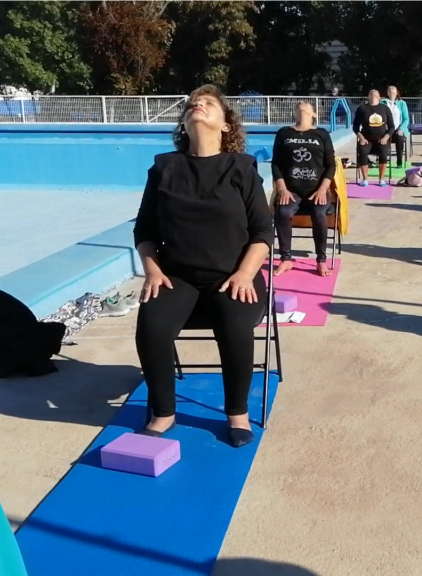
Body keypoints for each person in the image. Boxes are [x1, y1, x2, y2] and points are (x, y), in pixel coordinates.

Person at [132, 84, 274, 447]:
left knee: (235, 323)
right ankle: (163, 412)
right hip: (177, 277)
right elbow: (145, 230)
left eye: (209, 103)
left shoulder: (240, 167)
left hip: (233, 276)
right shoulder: (165, 167)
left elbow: (262, 230)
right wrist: (152, 269)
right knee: (151, 323)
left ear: (226, 125)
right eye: (194, 102)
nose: (198, 105)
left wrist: (245, 272)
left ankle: (237, 412)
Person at [271, 101, 337, 277]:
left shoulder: (321, 134)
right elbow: (276, 164)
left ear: (314, 114)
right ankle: (286, 259)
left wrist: (323, 189)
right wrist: (282, 190)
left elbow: (331, 165)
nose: (303, 103)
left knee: (319, 213)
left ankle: (321, 261)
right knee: (283, 213)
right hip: (291, 190)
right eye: (299, 104)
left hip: (317, 190)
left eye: (307, 104)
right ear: (294, 112)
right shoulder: (284, 133)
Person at [353, 89, 394, 186]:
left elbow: (392, 127)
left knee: (383, 152)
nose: (373, 91)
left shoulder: (385, 109)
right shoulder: (362, 108)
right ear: (368, 96)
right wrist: (361, 138)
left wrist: (385, 138)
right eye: (370, 92)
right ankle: (365, 179)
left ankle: (381, 179)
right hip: (366, 139)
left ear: (380, 97)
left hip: (381, 139)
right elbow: (355, 127)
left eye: (376, 92)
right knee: (362, 151)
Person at [383, 85, 411, 168]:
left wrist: (401, 129)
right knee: (382, 138)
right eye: (389, 90)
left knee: (400, 138)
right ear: (387, 93)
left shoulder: (402, 103)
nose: (391, 91)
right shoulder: (383, 102)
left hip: (397, 130)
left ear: (396, 93)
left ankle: (399, 161)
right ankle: (383, 160)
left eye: (393, 90)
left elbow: (406, 119)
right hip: (386, 130)